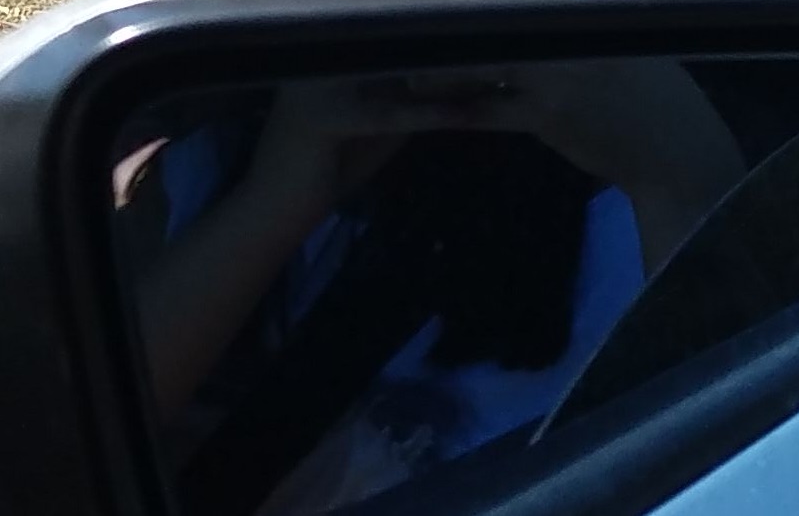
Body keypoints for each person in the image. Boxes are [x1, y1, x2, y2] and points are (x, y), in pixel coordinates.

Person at [114, 61, 747, 516]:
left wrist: (685, 186)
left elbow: (755, 463)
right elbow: (76, 444)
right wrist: (274, 201)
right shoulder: (218, 161)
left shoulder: (638, 222)